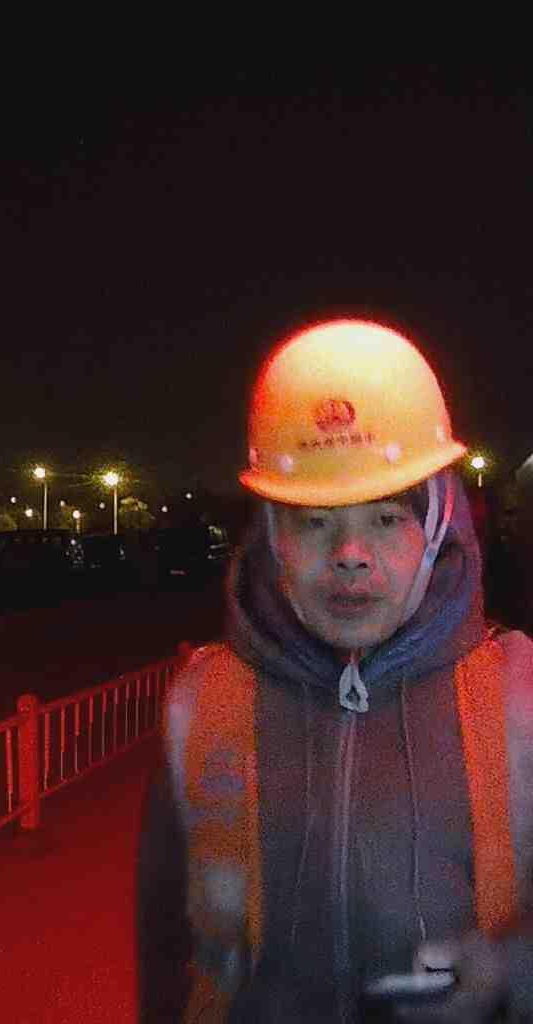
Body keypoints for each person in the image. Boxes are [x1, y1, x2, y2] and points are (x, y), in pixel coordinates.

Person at [137, 319, 533, 1022]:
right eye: (315, 520)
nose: (350, 553)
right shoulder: (202, 703)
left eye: (386, 518)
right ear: (272, 536)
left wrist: (512, 968)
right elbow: (166, 944)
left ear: (436, 527)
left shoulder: (520, 695)